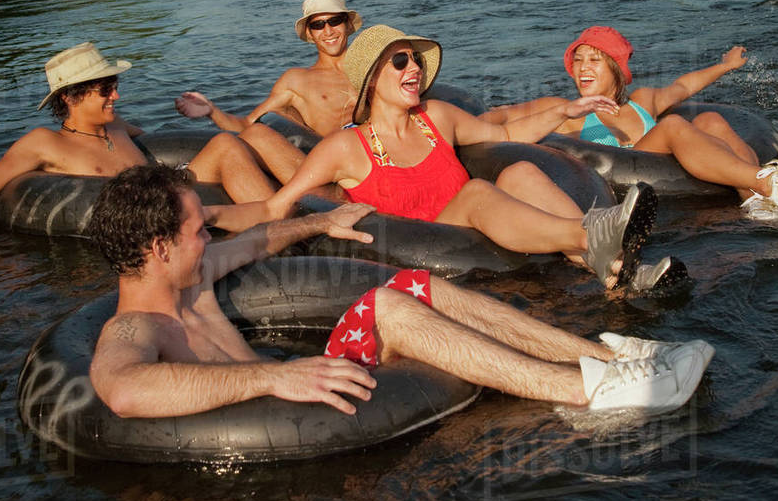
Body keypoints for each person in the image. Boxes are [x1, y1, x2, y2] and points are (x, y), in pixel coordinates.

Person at [89, 164, 714, 419]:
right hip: (281, 410)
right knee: (386, 304)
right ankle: (586, 394)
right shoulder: (133, 329)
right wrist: (270, 378)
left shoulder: (192, 276)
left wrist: (316, 221)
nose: (209, 235)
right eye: (199, 229)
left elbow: (258, 240)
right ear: (159, 248)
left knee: (413, 284)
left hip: (304, 388)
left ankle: (609, 357)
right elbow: (122, 389)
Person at [262, 25, 672, 291]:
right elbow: (281, 205)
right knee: (477, 191)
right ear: (371, 79)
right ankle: (591, 235)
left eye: (416, 60)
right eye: (400, 61)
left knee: (521, 171)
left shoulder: (435, 117)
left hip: (472, 227)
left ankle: (622, 273)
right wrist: (214, 225)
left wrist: (564, 111)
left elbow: (506, 134)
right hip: (424, 249)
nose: (415, 69)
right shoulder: (343, 148)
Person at [483, 26, 778, 217]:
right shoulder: (566, 110)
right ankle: (766, 182)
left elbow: (683, 87)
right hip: (628, 188)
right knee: (673, 126)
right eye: (578, 60)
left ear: (615, 69)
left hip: (674, 169)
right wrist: (473, 121)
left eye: (594, 60)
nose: (583, 68)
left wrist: (725, 66)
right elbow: (505, 114)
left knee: (712, 120)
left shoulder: (642, 102)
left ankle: (757, 200)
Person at [0, 42, 279, 232]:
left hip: (174, 195)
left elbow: (166, 148)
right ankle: (280, 227)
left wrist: (209, 113)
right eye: (105, 90)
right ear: (71, 98)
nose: (116, 95)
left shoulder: (116, 126)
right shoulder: (45, 143)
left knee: (228, 142)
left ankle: (283, 219)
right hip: (139, 226)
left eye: (114, 85)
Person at [174, 0, 362, 182]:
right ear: (310, 33)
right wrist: (211, 111)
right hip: (342, 166)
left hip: (381, 154)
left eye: (335, 21)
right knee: (255, 134)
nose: (328, 31)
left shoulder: (372, 66)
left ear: (347, 24)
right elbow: (247, 125)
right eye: (318, 25)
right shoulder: (296, 80)